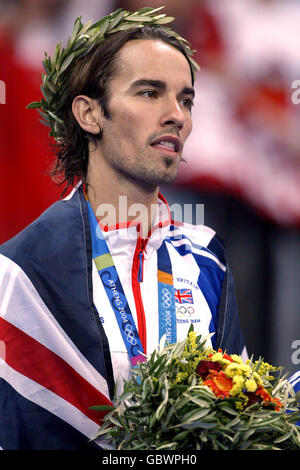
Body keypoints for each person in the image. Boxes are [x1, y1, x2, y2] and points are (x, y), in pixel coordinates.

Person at [0, 7, 246, 450]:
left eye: (185, 99)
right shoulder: (26, 266)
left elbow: (239, 419)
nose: (177, 115)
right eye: (150, 93)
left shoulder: (207, 256)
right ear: (90, 114)